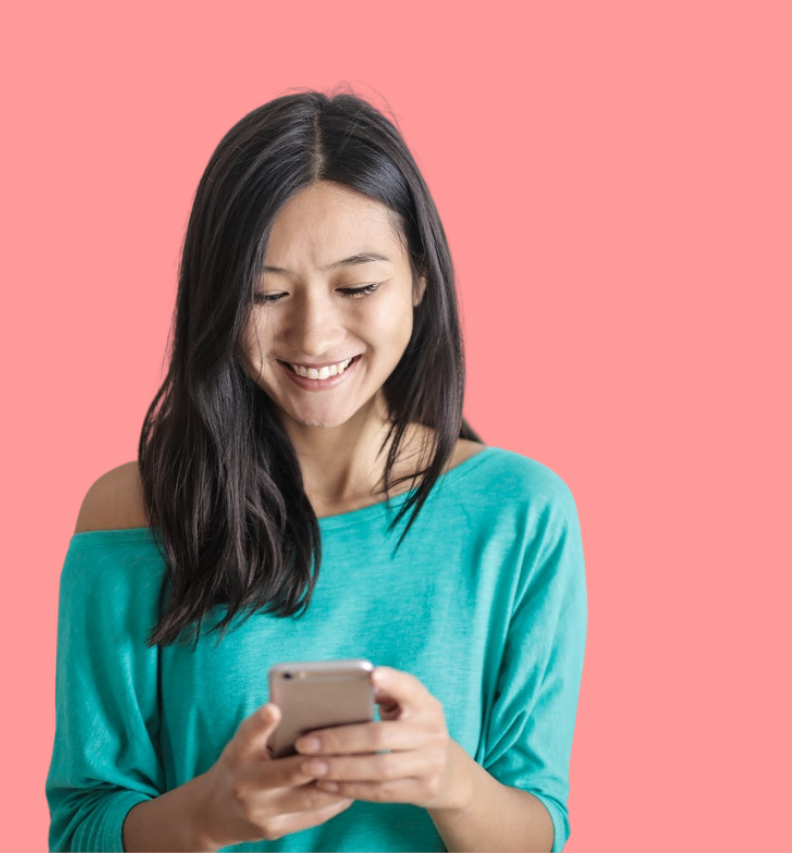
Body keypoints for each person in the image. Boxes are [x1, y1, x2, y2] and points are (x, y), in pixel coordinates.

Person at [45, 89, 587, 852]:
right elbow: (80, 829)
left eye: (357, 286)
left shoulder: (519, 513)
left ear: (421, 282)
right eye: (266, 293)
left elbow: (539, 830)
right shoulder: (135, 513)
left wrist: (450, 781)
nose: (313, 333)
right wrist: (207, 815)